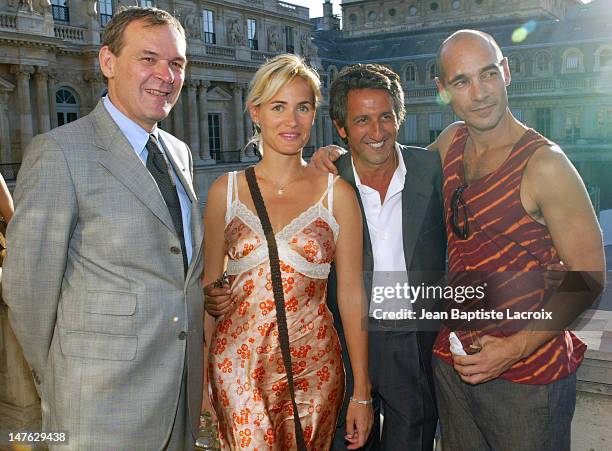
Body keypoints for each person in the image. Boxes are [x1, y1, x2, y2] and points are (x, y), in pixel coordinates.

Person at [2, 7, 204, 450]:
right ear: (108, 62)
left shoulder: (178, 152)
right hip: (99, 407)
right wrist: (65, 375)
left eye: (176, 63)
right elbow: (27, 290)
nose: (165, 75)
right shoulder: (58, 152)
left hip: (179, 396)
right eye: (147, 59)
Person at [429, 30, 606, 450]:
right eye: (461, 81)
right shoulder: (449, 142)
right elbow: (393, 171)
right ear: (442, 90)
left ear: (506, 72)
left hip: (528, 377)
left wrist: (514, 348)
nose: (480, 93)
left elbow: (589, 276)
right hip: (454, 364)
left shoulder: (545, 165)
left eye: (488, 74)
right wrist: (332, 159)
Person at [201, 54, 373, 450]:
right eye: (278, 106)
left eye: (303, 107)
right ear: (255, 112)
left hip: (316, 370)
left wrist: (361, 392)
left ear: (315, 115)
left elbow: (351, 297)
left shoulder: (338, 196)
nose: (291, 121)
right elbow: (209, 293)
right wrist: (202, 387)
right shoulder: (223, 192)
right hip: (237, 367)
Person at [287, 63, 446, 450]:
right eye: (362, 120)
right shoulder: (323, 183)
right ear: (341, 127)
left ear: (399, 117)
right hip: (345, 340)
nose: (377, 132)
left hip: (413, 338)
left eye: (385, 117)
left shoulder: (431, 168)